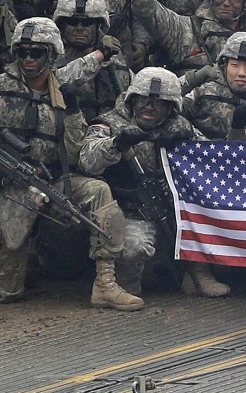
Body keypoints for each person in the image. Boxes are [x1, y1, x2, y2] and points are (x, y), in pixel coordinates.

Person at [0, 18, 141, 310]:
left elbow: (75, 155)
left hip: (53, 180)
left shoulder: (61, 95)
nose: (29, 60)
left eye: (37, 53)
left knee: (98, 192)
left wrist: (72, 113)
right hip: (8, 188)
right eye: (23, 52)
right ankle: (28, 259)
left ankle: (105, 283)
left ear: (52, 54)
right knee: (5, 292)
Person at [81, 67, 228, 299]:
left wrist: (186, 142)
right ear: (132, 100)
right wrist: (116, 144)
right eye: (143, 100)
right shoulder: (109, 123)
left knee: (202, 217)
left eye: (158, 103)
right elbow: (87, 160)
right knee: (135, 247)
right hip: (129, 211)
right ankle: (128, 285)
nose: (149, 107)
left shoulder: (178, 126)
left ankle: (199, 272)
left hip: (172, 210)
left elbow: (213, 160)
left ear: (170, 107)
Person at [187, 32, 246, 141]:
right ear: (224, 65)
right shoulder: (204, 92)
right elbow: (171, 115)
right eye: (235, 65)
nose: (241, 73)